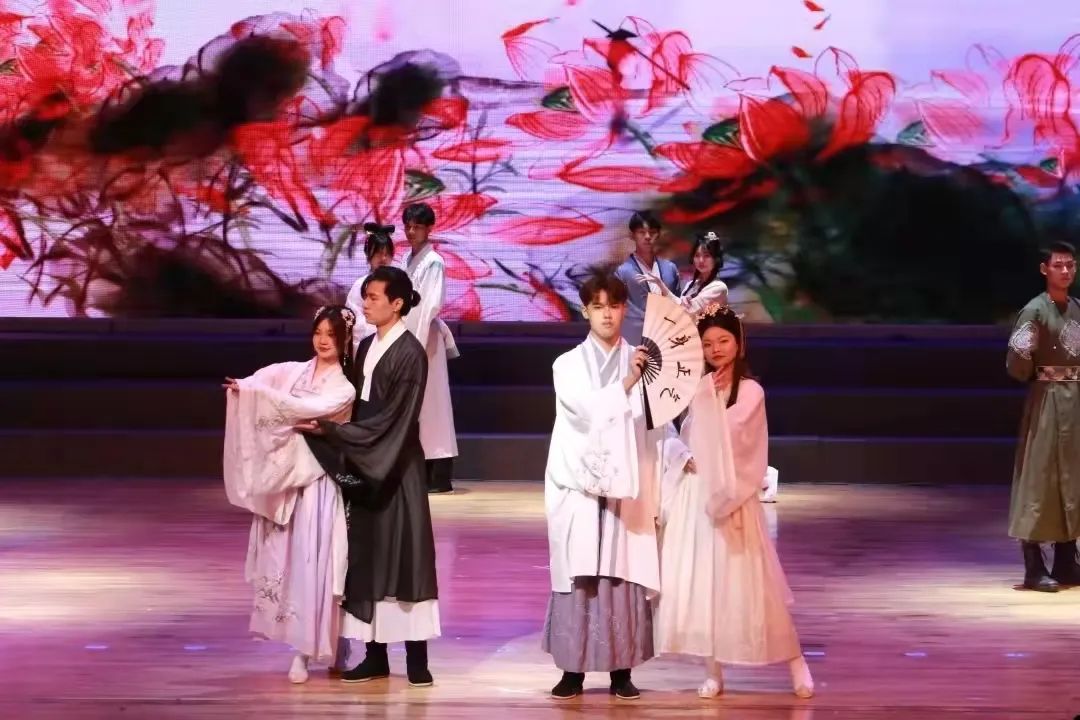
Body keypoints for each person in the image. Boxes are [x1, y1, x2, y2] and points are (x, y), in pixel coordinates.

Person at [656, 303, 813, 699]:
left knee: (753, 587)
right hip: (696, 495)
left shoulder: (751, 391)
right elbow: (679, 434)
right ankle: (713, 670)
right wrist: (683, 455)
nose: (716, 349)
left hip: (733, 495)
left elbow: (738, 439)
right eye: (708, 343)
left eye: (723, 341)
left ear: (739, 343)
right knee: (702, 585)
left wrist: (708, 400)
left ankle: (796, 661)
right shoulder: (698, 387)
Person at [299, 266, 440, 686]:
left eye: (373, 297)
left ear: (397, 303)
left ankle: (417, 661)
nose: (366, 304)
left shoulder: (410, 353)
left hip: (396, 468)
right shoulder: (365, 347)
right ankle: (374, 655)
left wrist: (337, 433)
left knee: (405, 558)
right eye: (365, 296)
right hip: (367, 461)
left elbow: (396, 420)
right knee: (367, 557)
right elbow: (358, 407)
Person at [541, 269, 662, 701]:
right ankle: (572, 670)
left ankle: (621, 670)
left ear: (625, 309)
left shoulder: (645, 363)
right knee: (581, 574)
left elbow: (657, 425)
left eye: (614, 306)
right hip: (578, 484)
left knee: (621, 573)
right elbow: (582, 412)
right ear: (585, 311)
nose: (607, 314)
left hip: (626, 488)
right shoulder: (567, 364)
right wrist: (626, 383)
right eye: (598, 307)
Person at [222, 305, 357, 684]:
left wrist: (263, 398)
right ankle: (309, 645)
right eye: (318, 332)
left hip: (318, 483)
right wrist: (244, 388)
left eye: (331, 334)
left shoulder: (344, 387)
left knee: (315, 565)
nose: (323, 340)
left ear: (345, 340)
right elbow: (263, 381)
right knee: (287, 561)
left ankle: (311, 650)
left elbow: (304, 408)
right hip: (287, 483)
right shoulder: (294, 371)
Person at [1006, 240, 1080, 592]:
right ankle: (1033, 565)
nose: (1065, 271)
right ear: (1044, 269)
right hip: (1048, 398)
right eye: (1058, 265)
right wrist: (1033, 371)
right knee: (1040, 476)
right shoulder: (1034, 311)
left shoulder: (1077, 309)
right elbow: (1018, 360)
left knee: (1073, 476)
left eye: (1070, 265)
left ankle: (1067, 558)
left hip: (1075, 401)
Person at [401, 202, 458, 494]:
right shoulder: (406, 259)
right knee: (418, 406)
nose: (412, 232)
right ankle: (419, 472)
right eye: (408, 226)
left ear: (429, 229)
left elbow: (430, 305)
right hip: (408, 335)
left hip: (425, 339)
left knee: (433, 404)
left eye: (418, 227)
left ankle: (439, 475)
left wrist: (417, 343)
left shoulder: (433, 262)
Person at [345, 222, 461, 361]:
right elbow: (355, 320)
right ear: (368, 254)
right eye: (378, 254)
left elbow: (412, 312)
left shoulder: (399, 282)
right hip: (370, 345)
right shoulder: (360, 285)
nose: (383, 259)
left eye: (387, 254)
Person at [614, 210, 680, 344]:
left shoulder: (670, 269)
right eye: (642, 232)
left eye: (652, 232)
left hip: (668, 336)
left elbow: (678, 302)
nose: (648, 237)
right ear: (632, 235)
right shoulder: (622, 272)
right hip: (634, 338)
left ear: (658, 234)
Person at [638, 230, 729, 315]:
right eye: (697, 255)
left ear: (716, 259)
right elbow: (678, 309)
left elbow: (689, 310)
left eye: (707, 256)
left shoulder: (719, 287)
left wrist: (661, 285)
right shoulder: (691, 285)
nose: (701, 260)